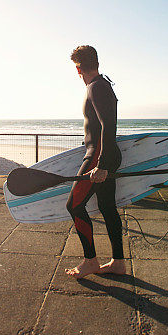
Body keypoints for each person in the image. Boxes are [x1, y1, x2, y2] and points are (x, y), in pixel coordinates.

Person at [66, 45, 125, 278]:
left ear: (78, 68)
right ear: (97, 63)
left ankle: (90, 261)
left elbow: (106, 126)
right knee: (107, 208)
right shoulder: (104, 85)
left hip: (99, 156)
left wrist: (101, 164)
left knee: (74, 205)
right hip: (106, 155)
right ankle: (118, 262)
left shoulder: (95, 87)